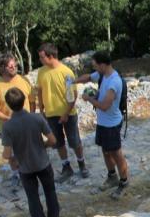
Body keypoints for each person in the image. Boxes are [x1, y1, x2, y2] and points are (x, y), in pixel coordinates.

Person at [1, 87, 61, 217]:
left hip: (25, 167)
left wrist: (12, 158)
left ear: (8, 105)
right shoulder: (37, 118)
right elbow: (53, 140)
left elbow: (7, 153)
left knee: (33, 197)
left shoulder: (7, 126)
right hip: (43, 162)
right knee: (50, 192)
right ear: (25, 101)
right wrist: (43, 146)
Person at [77, 52, 130, 199]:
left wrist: (88, 99)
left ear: (102, 65)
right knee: (106, 151)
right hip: (102, 123)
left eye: (95, 65)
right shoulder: (102, 75)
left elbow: (105, 106)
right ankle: (112, 177)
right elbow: (87, 77)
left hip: (112, 124)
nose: (94, 68)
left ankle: (124, 182)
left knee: (116, 154)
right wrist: (72, 82)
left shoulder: (114, 81)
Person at [36, 42, 88, 182]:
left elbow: (73, 95)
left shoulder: (66, 72)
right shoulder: (41, 72)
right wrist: (41, 111)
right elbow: (40, 91)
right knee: (58, 142)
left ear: (51, 56)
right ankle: (66, 167)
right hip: (51, 114)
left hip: (68, 114)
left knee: (75, 141)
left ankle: (81, 164)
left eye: (42, 57)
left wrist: (66, 113)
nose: (40, 60)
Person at [0, 52, 34, 186]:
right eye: (10, 66)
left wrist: (31, 116)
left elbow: (32, 100)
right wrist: (9, 119)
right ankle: (16, 174)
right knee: (12, 154)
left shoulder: (23, 80)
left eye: (15, 65)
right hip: (8, 127)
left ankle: (30, 172)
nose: (14, 68)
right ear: (2, 68)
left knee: (28, 150)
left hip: (26, 123)